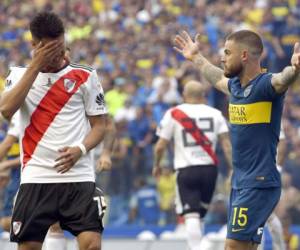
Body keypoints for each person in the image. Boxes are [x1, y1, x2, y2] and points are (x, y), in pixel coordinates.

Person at [174, 29, 300, 250]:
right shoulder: (236, 87)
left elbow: (283, 79)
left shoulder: (265, 85)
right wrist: (196, 57)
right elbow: (216, 78)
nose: (222, 57)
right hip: (241, 183)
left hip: (258, 183)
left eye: (227, 52)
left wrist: (296, 69)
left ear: (243, 55)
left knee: (233, 247)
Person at [0, 11, 108, 250]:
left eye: (61, 47)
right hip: (36, 176)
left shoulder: (85, 75)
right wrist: (35, 66)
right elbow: (6, 110)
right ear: (34, 45)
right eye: (50, 49)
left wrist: (80, 149)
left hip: (78, 176)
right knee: (28, 246)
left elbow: (100, 126)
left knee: (92, 244)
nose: (58, 55)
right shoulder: (18, 74)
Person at [152, 80, 232, 250]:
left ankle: (195, 248)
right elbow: (226, 144)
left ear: (184, 95)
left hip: (186, 169)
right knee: (200, 215)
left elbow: (160, 146)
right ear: (203, 95)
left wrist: (157, 165)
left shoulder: (174, 113)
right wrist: (233, 168)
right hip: (210, 170)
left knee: (191, 216)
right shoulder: (216, 114)